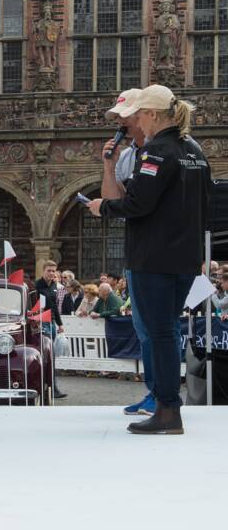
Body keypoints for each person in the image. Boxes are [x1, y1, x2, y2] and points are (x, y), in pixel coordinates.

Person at [88, 84, 211, 434]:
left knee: (158, 334)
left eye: (140, 114)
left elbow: (139, 204)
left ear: (154, 115)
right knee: (168, 330)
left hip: (153, 257)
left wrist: (103, 207)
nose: (137, 121)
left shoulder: (156, 151)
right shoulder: (195, 150)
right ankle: (167, 406)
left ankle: (168, 410)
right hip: (185, 257)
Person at [101, 88, 155, 416]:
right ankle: (154, 392)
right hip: (137, 250)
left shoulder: (163, 151)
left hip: (159, 250)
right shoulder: (127, 156)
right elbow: (114, 203)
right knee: (144, 327)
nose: (119, 122)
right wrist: (108, 166)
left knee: (156, 328)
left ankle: (162, 396)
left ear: (140, 116)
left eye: (123, 116)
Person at [33, 260, 66, 399]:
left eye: (54, 271)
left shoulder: (54, 285)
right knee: (46, 357)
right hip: (41, 323)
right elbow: (33, 306)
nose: (51, 273)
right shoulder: (36, 285)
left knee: (50, 357)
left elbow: (54, 306)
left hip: (51, 322)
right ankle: (48, 388)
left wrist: (60, 323)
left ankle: (52, 388)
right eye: (49, 270)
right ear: (43, 270)